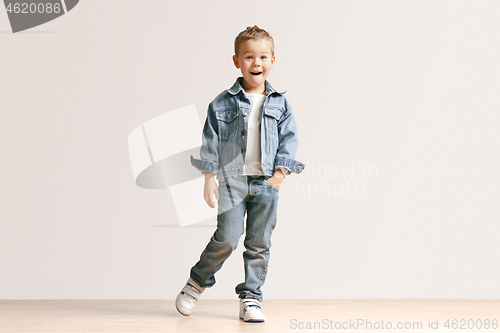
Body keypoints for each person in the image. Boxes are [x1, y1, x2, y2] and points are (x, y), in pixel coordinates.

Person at [176, 25, 305, 323]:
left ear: (273, 61)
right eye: (248, 57)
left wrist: (279, 175)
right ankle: (197, 281)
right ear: (237, 61)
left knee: (259, 243)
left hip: (266, 183)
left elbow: (290, 139)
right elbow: (211, 142)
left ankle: (251, 298)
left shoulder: (280, 104)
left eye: (262, 57)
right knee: (228, 238)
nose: (256, 63)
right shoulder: (222, 103)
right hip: (232, 181)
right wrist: (209, 178)